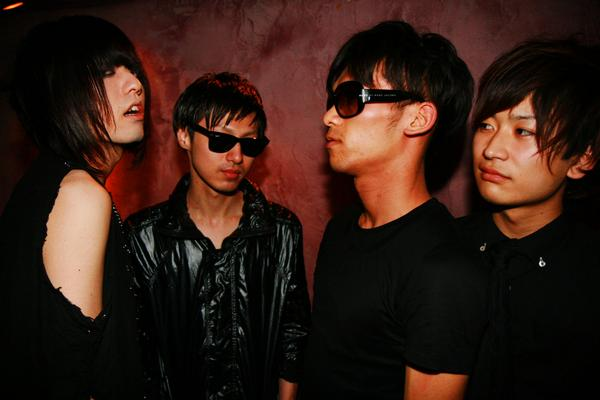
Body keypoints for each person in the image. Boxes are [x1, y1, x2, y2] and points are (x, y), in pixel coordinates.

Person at [300, 21, 488, 399]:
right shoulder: (342, 227)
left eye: (350, 98)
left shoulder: (444, 269)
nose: (328, 117)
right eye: (332, 101)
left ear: (418, 118)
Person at [127, 72, 311, 400]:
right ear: (184, 135)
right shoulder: (144, 237)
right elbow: (134, 350)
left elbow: (293, 337)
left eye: (250, 144)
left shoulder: (281, 230)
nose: (237, 157)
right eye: (221, 140)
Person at [0, 15, 150, 398]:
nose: (135, 84)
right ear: (62, 92)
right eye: (105, 72)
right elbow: (74, 378)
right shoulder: (80, 194)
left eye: (131, 68)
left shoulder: (45, 183)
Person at [459, 39, 600, 400]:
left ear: (581, 158)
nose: (491, 150)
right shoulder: (443, 246)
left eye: (523, 131)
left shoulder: (589, 274)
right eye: (485, 125)